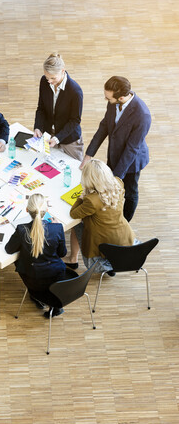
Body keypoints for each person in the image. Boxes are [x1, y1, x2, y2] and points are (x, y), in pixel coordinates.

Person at [80, 76, 151, 222]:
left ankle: (123, 222)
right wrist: (88, 155)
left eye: (108, 99)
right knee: (110, 188)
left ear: (122, 98)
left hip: (132, 161)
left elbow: (132, 149)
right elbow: (104, 126)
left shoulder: (142, 115)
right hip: (114, 153)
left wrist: (115, 178)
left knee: (130, 193)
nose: (106, 101)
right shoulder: (113, 103)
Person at [5, 194, 76, 318]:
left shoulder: (22, 229)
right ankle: (53, 306)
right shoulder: (57, 228)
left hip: (33, 281)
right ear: (46, 210)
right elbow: (62, 253)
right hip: (57, 278)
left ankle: (37, 297)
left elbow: (9, 249)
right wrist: (56, 227)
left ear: (27, 210)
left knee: (18, 262)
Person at [69, 159, 137, 274]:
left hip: (100, 242)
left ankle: (73, 259)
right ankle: (110, 261)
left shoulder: (91, 200)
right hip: (124, 238)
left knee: (76, 225)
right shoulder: (118, 182)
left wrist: (81, 197)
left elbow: (73, 213)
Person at [34, 53, 84, 161]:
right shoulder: (44, 82)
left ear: (62, 71)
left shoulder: (75, 91)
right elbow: (41, 108)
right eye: (47, 77)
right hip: (48, 134)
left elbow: (75, 120)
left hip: (69, 138)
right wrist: (38, 126)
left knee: (76, 170)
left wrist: (57, 138)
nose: (50, 82)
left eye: (53, 78)